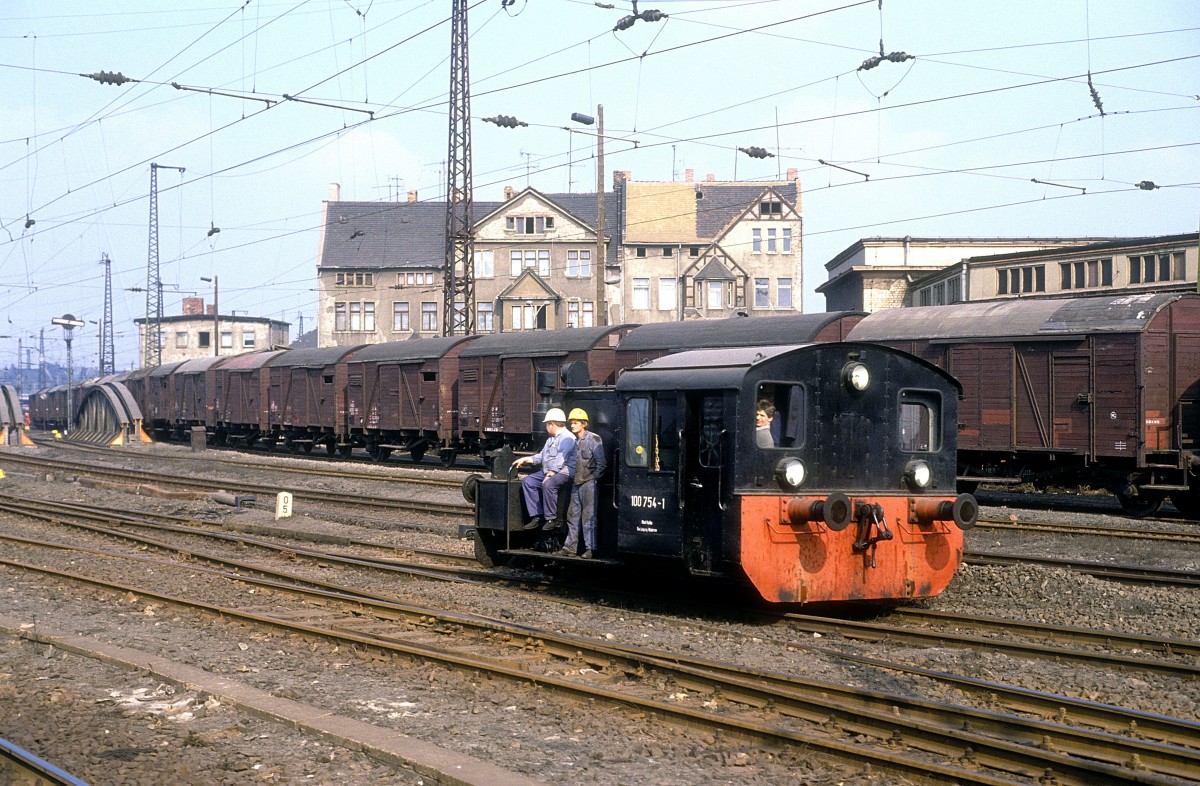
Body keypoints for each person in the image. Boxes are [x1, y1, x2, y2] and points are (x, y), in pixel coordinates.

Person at [513, 407, 576, 531]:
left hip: (565, 471)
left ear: (551, 424)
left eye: (547, 424)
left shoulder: (567, 438)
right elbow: (541, 456)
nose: (546, 427)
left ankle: (551, 518)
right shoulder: (550, 439)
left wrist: (551, 473)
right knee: (528, 482)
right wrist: (525, 459)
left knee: (548, 484)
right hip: (548, 471)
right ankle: (537, 516)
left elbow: (561, 458)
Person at [557, 408, 606, 559]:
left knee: (588, 517)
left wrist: (592, 479)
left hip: (588, 484)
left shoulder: (593, 439)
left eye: (575, 423)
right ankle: (569, 548)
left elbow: (601, 464)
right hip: (576, 483)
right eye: (571, 423)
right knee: (572, 516)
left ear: (584, 424)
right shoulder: (574, 441)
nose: (572, 425)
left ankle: (590, 549)